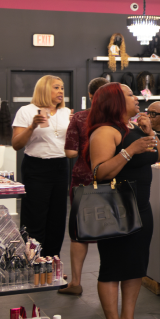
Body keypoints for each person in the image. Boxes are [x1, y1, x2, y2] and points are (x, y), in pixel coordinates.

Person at [86, 82, 160, 319]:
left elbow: (159, 155)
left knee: (135, 265)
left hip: (141, 207)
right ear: (116, 101)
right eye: (130, 95)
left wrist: (150, 133)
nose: (137, 98)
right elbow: (100, 172)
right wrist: (130, 151)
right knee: (113, 267)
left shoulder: (133, 128)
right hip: (115, 209)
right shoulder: (105, 132)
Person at [12, 75, 72, 257]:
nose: (61, 91)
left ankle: (52, 261)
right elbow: (16, 144)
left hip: (61, 166)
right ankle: (32, 261)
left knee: (57, 217)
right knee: (34, 216)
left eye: (62, 88)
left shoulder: (66, 112)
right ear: (44, 89)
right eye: (56, 87)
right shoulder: (26, 111)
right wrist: (32, 126)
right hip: (36, 167)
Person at [60, 76, 107, 296]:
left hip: (83, 179)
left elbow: (70, 152)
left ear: (90, 95)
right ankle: (108, 278)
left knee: (79, 232)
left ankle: (76, 282)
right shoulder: (119, 119)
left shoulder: (79, 117)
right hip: (110, 178)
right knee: (111, 229)